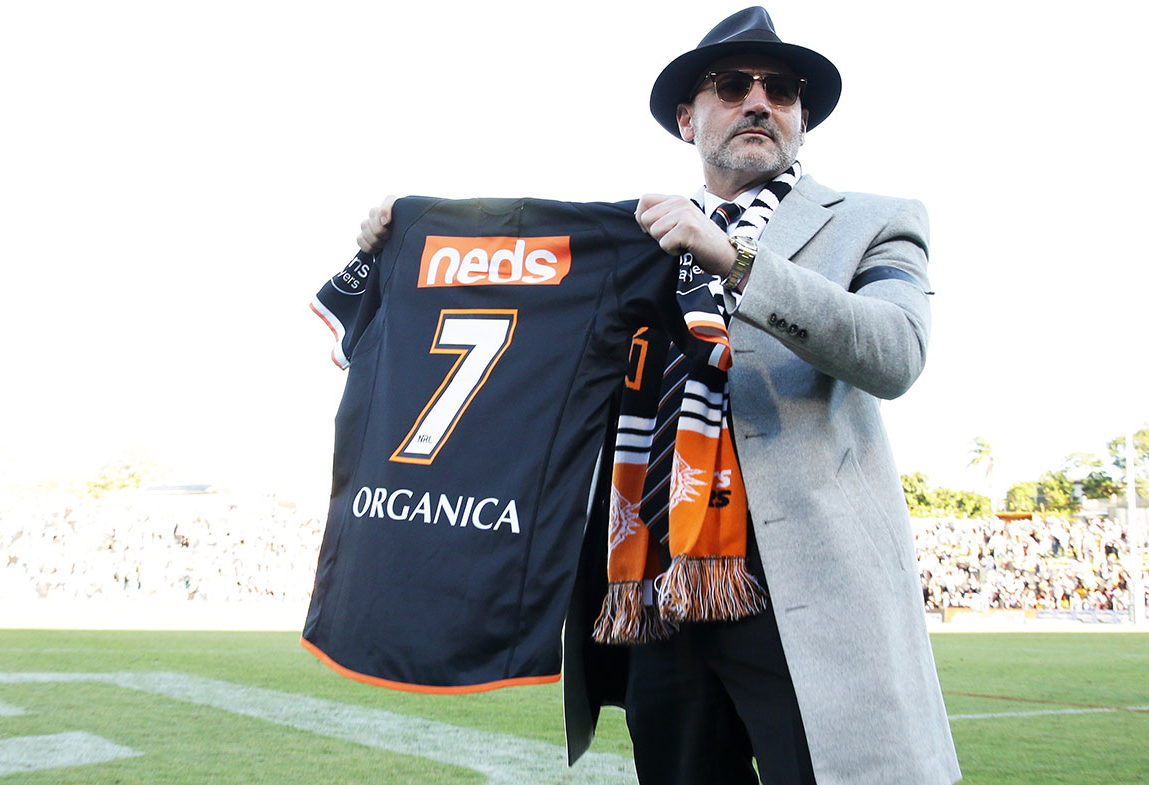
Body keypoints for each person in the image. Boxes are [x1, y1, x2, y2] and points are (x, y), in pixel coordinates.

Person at [354, 7, 960, 784]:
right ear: (687, 117)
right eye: (733, 85)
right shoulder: (630, 243)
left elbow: (896, 350)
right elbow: (500, 338)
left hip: (803, 598)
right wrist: (401, 260)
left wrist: (737, 262)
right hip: (651, 595)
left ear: (803, 117)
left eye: (781, 89)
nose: (758, 101)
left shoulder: (877, 221)